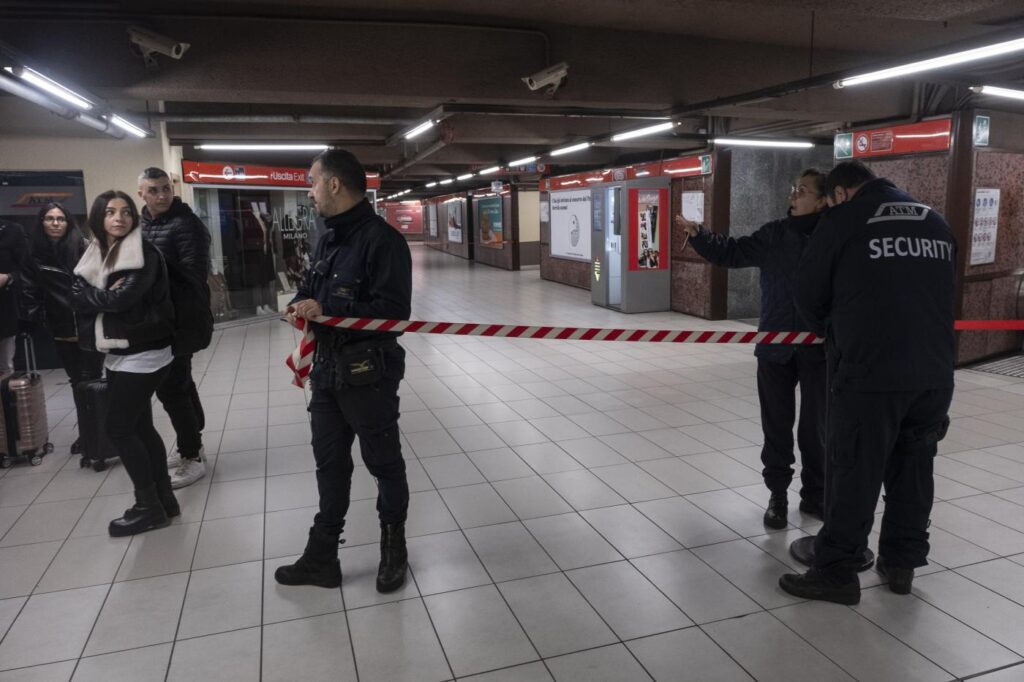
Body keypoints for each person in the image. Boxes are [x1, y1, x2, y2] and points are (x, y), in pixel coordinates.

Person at [779, 161, 955, 605]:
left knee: (856, 470)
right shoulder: (934, 221)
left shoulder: (843, 221)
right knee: (914, 469)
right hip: (934, 374)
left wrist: (835, 328)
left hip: (870, 371)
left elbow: (808, 295)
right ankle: (901, 565)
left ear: (838, 194)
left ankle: (837, 570)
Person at [275, 149, 412, 593]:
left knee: (383, 463)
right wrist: (301, 301)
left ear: (334, 184)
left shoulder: (383, 241)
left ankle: (394, 549)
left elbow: (394, 314)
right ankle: (322, 557)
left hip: (368, 375)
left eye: (313, 182)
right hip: (327, 373)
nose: (309, 192)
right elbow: (314, 285)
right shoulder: (327, 237)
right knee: (329, 465)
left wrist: (330, 308)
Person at [675, 169, 828, 529]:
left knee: (816, 429)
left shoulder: (833, 238)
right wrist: (700, 235)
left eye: (803, 191)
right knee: (776, 426)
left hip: (819, 349)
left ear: (823, 200)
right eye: (794, 188)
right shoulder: (776, 234)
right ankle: (777, 494)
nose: (794, 196)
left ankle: (815, 495)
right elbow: (734, 252)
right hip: (775, 344)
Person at [70, 190, 179, 536]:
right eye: (111, 212)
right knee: (141, 427)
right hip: (121, 352)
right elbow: (103, 295)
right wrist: (93, 296)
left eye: (126, 212)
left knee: (119, 429)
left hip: (144, 353)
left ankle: (148, 507)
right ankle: (164, 499)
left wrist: (83, 296)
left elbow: (120, 299)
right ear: (98, 218)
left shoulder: (141, 251)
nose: (119, 218)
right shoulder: (102, 251)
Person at [138, 168, 213, 489]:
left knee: (172, 388)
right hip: (156, 320)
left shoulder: (186, 224)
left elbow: (193, 276)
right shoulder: (141, 224)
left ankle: (191, 453)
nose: (162, 195)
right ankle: (193, 438)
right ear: (141, 192)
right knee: (179, 383)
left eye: (166, 188)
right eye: (154, 190)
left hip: (180, 319)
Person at [23, 204, 104, 453]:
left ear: (69, 222)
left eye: (61, 219)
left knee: (92, 380)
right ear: (42, 223)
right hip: (61, 328)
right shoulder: (34, 256)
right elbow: (30, 292)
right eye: (50, 219)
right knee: (77, 382)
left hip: (89, 324)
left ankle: (100, 435)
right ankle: (87, 434)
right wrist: (38, 321)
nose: (56, 223)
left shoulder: (86, 248)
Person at [0, 219, 29, 372]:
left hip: (5, 309)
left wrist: (8, 277)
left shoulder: (11, 231)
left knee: (5, 367)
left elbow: (27, 269)